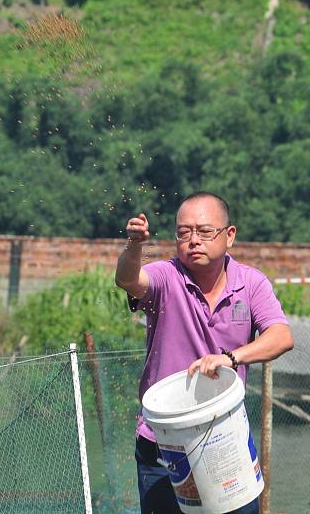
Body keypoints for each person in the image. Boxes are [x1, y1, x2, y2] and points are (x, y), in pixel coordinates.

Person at [115, 191, 294, 514]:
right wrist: (134, 246)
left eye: (204, 231)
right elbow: (128, 279)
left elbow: (281, 336)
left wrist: (232, 357)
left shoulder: (251, 284)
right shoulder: (166, 278)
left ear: (230, 236)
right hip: (164, 441)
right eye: (184, 233)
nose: (193, 240)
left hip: (225, 439)